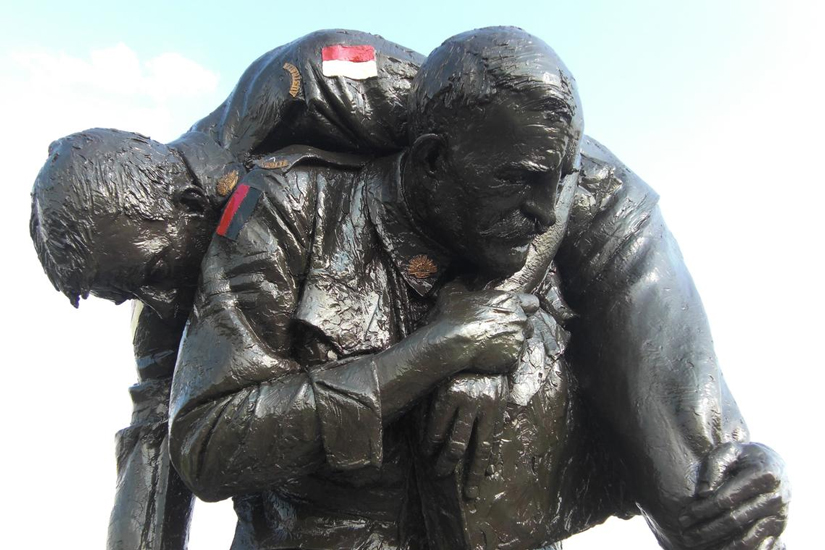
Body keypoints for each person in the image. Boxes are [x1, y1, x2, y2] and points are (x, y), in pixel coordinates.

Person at [163, 28, 788, 550]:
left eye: (561, 180)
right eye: (518, 181)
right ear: (433, 160)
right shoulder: (289, 208)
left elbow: (690, 456)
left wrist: (755, 483)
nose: (546, 213)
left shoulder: (577, 264)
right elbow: (206, 446)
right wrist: (435, 353)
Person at [30, 29, 424, 550]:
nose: (163, 306)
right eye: (129, 296)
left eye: (153, 276)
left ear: (188, 203)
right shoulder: (160, 301)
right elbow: (156, 453)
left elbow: (502, 137)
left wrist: (499, 299)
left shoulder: (303, 82)